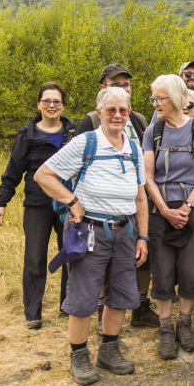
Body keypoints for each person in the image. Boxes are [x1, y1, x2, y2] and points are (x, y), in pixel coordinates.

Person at [34, 87, 149, 386]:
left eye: (123, 110)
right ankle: (79, 354)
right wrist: (73, 202)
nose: (117, 115)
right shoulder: (86, 142)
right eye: (111, 110)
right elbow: (43, 175)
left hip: (125, 231)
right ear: (99, 113)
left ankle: (109, 350)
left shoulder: (134, 149)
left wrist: (143, 238)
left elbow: (140, 199)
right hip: (90, 232)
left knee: (122, 294)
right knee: (84, 297)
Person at [73, 63, 157, 330]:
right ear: (103, 89)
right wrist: (74, 202)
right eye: (116, 83)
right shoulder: (91, 120)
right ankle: (99, 312)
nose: (122, 88)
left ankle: (140, 307)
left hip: (134, 203)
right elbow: (71, 169)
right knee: (97, 267)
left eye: (126, 84)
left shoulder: (140, 119)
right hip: (96, 212)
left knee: (138, 260)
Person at [0, 81, 76, 329]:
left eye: (57, 101)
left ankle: (68, 304)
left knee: (71, 254)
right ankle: (33, 313)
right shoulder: (27, 134)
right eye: (47, 101)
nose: (52, 105)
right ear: (38, 104)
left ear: (63, 105)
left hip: (68, 203)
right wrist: (2, 203)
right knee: (35, 258)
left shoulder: (74, 132)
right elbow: (14, 171)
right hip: (37, 204)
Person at [143, 74, 194, 359]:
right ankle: (164, 328)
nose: (155, 103)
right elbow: (148, 177)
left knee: (191, 268)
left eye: (160, 98)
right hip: (161, 208)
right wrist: (164, 209)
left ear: (176, 98)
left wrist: (185, 207)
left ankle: (184, 323)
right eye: (154, 98)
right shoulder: (153, 131)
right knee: (162, 269)